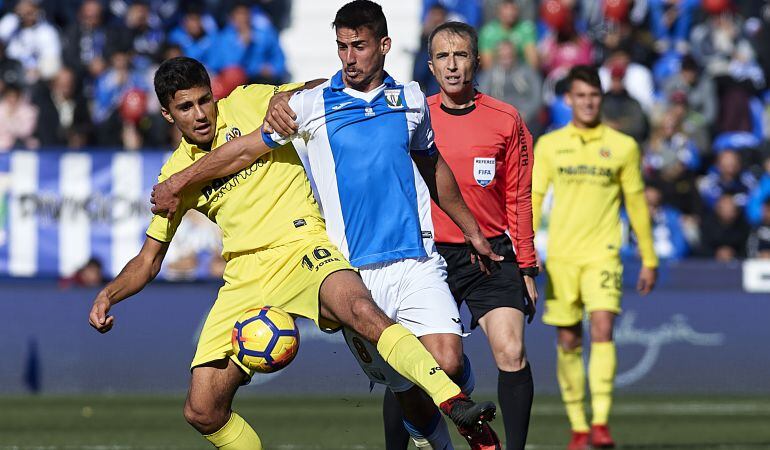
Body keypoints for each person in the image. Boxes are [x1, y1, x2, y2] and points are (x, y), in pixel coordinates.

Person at [90, 56, 494, 450]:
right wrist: (109, 295)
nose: (199, 114)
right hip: (245, 275)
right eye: (185, 107)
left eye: (204, 101)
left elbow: (320, 90)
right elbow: (149, 260)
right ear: (166, 114)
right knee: (203, 410)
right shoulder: (174, 177)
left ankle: (454, 402)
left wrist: (289, 98)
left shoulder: (247, 102)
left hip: (302, 247)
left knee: (360, 309)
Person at [388, 20, 540, 450]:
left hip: (489, 254)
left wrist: (526, 264)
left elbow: (519, 196)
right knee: (408, 365)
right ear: (431, 66)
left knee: (511, 352)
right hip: (426, 257)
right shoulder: (413, 116)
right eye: (442, 57)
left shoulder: (506, 119)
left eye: (460, 56)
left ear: (476, 60)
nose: (452, 66)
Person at [532, 65, 658, 450]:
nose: (588, 102)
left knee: (602, 329)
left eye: (594, 96)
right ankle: (578, 426)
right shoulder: (551, 146)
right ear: (568, 99)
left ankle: (601, 421)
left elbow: (636, 204)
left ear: (601, 98)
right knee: (568, 339)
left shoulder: (622, 146)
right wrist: (527, 247)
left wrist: (649, 257)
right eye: (581, 96)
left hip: (604, 253)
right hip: (562, 256)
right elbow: (534, 198)